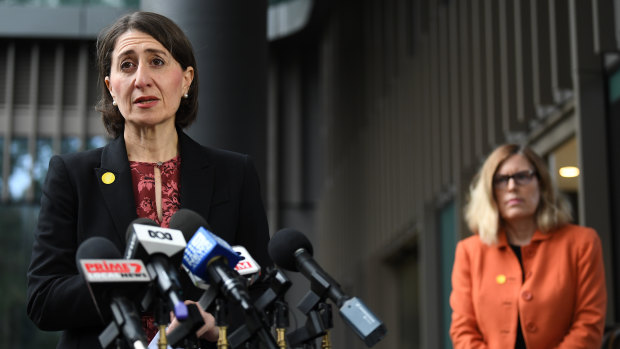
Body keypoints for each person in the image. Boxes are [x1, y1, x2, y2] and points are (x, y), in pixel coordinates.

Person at [26, 11, 272, 348]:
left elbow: (261, 289)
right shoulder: (73, 175)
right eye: (127, 65)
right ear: (112, 87)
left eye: (157, 61)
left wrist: (220, 325)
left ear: (186, 80)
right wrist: (126, 278)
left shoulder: (235, 174)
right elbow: (43, 299)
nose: (141, 78)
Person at [449, 144, 607, 348]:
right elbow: (462, 330)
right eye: (501, 180)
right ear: (490, 191)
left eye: (522, 176)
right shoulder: (469, 252)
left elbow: (589, 323)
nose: (512, 186)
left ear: (541, 184)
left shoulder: (581, 243)